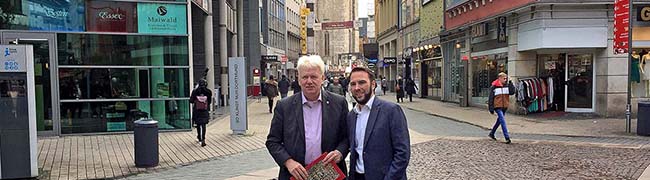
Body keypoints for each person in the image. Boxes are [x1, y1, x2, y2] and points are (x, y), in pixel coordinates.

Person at [266, 55, 349, 180]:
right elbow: (273, 141)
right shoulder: (284, 106)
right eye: (305, 77)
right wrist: (288, 162)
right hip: (296, 175)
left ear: (323, 78)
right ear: (299, 80)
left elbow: (347, 137)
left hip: (329, 173)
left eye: (314, 77)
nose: (309, 81)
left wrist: (340, 152)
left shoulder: (339, 103)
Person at [347, 67, 410, 180]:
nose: (357, 88)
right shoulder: (352, 115)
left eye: (362, 82)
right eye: (353, 84)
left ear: (373, 85)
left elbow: (402, 154)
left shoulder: (391, 111)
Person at [488, 72, 516, 144]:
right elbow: (491, 98)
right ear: (499, 78)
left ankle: (492, 133)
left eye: (506, 78)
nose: (505, 80)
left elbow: (512, 92)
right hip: (497, 106)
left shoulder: (507, 85)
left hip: (505, 106)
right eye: (504, 78)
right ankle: (507, 137)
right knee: (502, 120)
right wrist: (491, 108)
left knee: (499, 121)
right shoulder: (494, 87)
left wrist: (510, 83)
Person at [189, 79, 212, 147]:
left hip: (197, 110)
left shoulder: (195, 91)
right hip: (205, 110)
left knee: (198, 124)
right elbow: (210, 101)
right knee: (204, 125)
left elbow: (191, 101)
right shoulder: (208, 92)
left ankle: (199, 137)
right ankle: (203, 139)